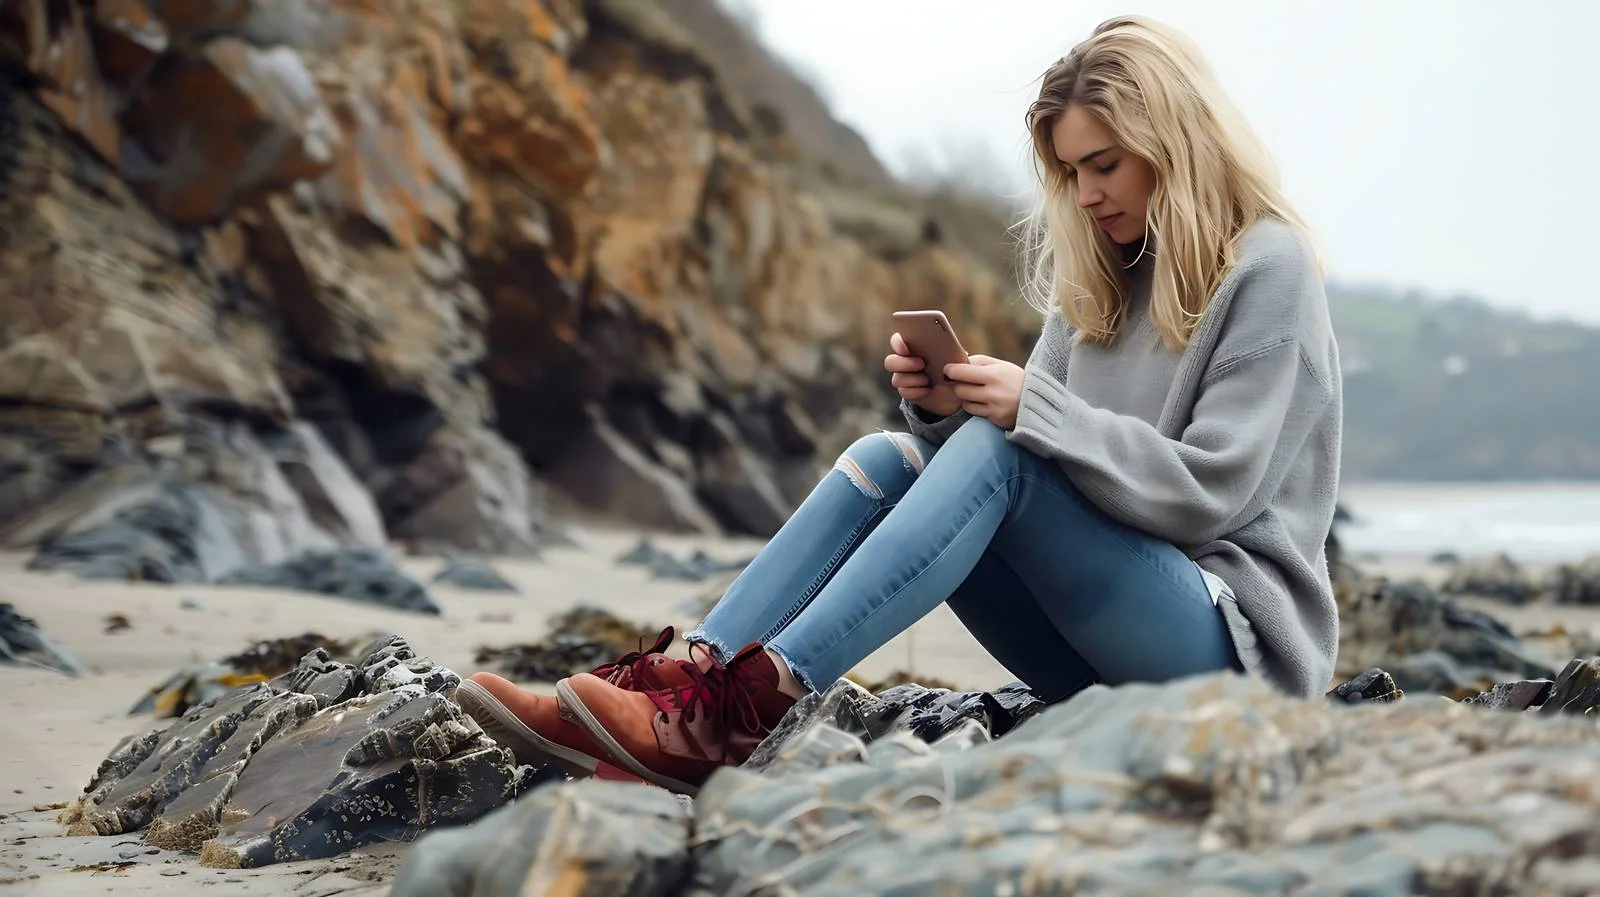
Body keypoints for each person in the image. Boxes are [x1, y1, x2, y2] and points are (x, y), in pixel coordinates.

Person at [458, 14, 1342, 796]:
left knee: (1003, 453)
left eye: (1104, 165)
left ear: (1175, 141)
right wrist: (945, 409)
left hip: (1228, 652)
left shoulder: (1268, 268)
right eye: (1071, 171)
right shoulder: (1102, 283)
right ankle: (690, 680)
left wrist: (1028, 410)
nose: (1086, 195)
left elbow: (1211, 491)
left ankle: (746, 714)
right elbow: (1044, 480)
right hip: (1095, 651)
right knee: (891, 457)